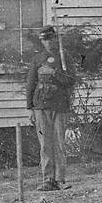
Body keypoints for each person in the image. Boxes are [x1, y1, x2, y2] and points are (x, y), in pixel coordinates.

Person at [26, 25, 75, 190]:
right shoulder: (37, 59)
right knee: (45, 145)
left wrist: (54, 73)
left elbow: (71, 80)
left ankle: (60, 179)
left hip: (60, 106)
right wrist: (30, 108)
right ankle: (47, 180)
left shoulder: (64, 58)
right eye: (44, 40)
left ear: (55, 39)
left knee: (59, 143)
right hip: (41, 106)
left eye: (50, 39)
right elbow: (31, 83)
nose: (48, 43)